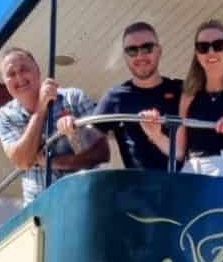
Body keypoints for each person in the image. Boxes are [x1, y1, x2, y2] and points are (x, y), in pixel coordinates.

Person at [140, 19, 223, 177]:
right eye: (203, 47)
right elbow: (179, 151)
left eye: (218, 45)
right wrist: (155, 134)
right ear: (197, 55)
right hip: (192, 168)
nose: (211, 52)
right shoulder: (188, 95)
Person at [60, 21, 181, 170]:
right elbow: (90, 145)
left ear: (159, 50)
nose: (140, 55)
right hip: (139, 189)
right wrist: (72, 130)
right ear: (125, 56)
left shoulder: (183, 90)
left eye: (147, 48)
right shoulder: (115, 97)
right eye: (132, 51)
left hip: (187, 184)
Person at [0, 49, 109, 205]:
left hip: (86, 201)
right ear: (5, 82)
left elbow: (102, 153)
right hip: (40, 212)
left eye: (24, 69)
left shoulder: (73, 98)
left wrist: (56, 160)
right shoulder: (5, 115)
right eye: (11, 74)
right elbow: (22, 161)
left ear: (38, 70)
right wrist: (41, 109)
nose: (19, 77)